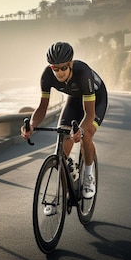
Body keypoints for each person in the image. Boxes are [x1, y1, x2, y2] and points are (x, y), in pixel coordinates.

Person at [21, 41, 108, 200]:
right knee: (62, 144)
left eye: (63, 68)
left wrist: (80, 131)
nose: (59, 73)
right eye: (55, 68)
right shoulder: (47, 76)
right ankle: (61, 193)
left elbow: (89, 114)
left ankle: (88, 175)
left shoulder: (82, 73)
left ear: (71, 63)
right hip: (74, 100)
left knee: (86, 134)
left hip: (96, 100)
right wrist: (32, 125)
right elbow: (42, 107)